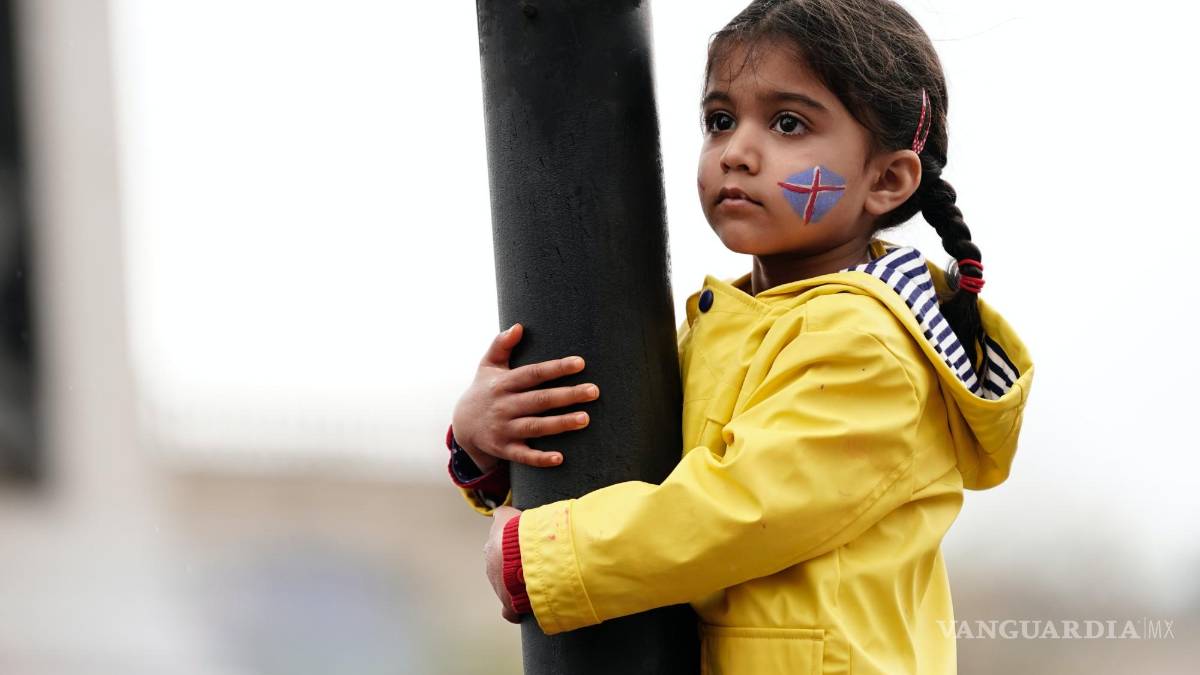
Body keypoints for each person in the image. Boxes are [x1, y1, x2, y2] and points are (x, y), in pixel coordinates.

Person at [445, 0, 1034, 672]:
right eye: (721, 120)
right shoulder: (725, 325)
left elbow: (739, 511)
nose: (738, 153)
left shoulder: (871, 347)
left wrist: (546, 557)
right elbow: (632, 475)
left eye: (788, 124)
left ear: (887, 179)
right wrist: (486, 446)